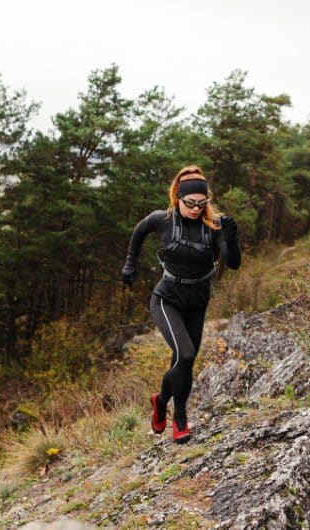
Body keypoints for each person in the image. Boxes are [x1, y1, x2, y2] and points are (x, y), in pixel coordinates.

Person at [121, 166, 241, 443]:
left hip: (197, 302)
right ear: (178, 198)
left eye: (202, 203)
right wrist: (129, 265)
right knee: (185, 355)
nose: (196, 208)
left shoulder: (214, 227)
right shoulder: (162, 220)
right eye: (190, 203)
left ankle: (161, 401)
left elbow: (232, 263)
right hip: (166, 299)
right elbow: (138, 232)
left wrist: (231, 238)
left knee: (183, 361)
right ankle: (181, 419)